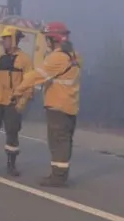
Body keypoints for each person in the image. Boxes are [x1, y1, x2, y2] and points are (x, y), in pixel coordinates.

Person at [12, 21, 81, 187]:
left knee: (57, 141)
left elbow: (36, 76)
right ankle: (59, 174)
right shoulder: (76, 57)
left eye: (47, 39)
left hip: (57, 105)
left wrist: (18, 91)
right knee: (64, 140)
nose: (46, 43)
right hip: (70, 105)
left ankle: (58, 177)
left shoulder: (57, 57)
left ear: (54, 39)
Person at [0, 26, 33, 176]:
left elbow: (29, 82)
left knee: (12, 132)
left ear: (15, 40)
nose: (4, 42)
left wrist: (24, 99)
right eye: (3, 39)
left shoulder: (25, 60)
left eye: (7, 39)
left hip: (13, 101)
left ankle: (11, 165)